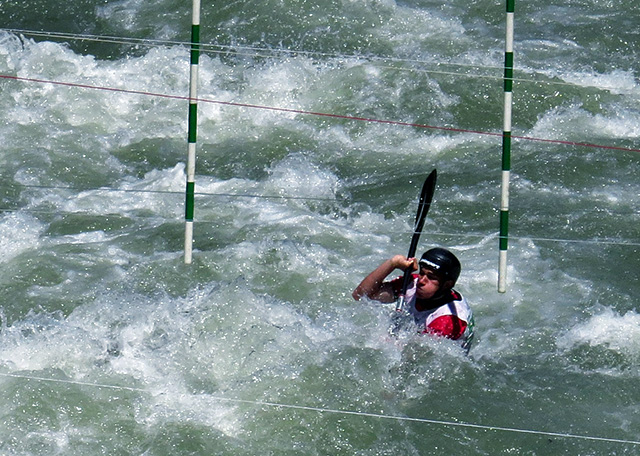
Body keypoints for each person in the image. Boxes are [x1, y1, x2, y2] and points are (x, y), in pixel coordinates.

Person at [353, 248, 474, 350]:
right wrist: (392, 263)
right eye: (422, 273)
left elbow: (418, 352)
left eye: (431, 277)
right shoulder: (412, 284)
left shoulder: (449, 320)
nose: (421, 281)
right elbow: (361, 295)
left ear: (447, 285)